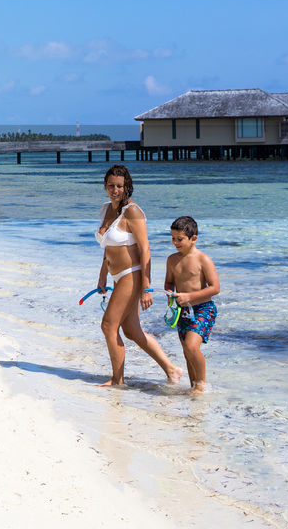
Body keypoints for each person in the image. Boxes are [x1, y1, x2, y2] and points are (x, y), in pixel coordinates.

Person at [93, 165, 183, 387]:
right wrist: (103, 275)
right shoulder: (106, 209)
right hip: (116, 275)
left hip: (131, 275)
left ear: (127, 187)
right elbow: (108, 247)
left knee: (108, 326)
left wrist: (146, 286)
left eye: (120, 186)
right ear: (105, 186)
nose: (115, 190)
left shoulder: (133, 212)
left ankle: (118, 380)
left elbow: (145, 249)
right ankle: (172, 370)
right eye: (111, 186)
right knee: (131, 330)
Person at [163, 216, 221, 394]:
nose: (175, 242)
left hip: (203, 309)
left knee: (191, 346)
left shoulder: (203, 259)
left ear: (193, 238)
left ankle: (202, 384)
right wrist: (170, 297)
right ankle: (193, 386)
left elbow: (215, 288)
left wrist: (190, 296)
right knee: (187, 351)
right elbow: (169, 283)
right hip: (182, 311)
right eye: (173, 238)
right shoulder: (172, 260)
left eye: (179, 239)